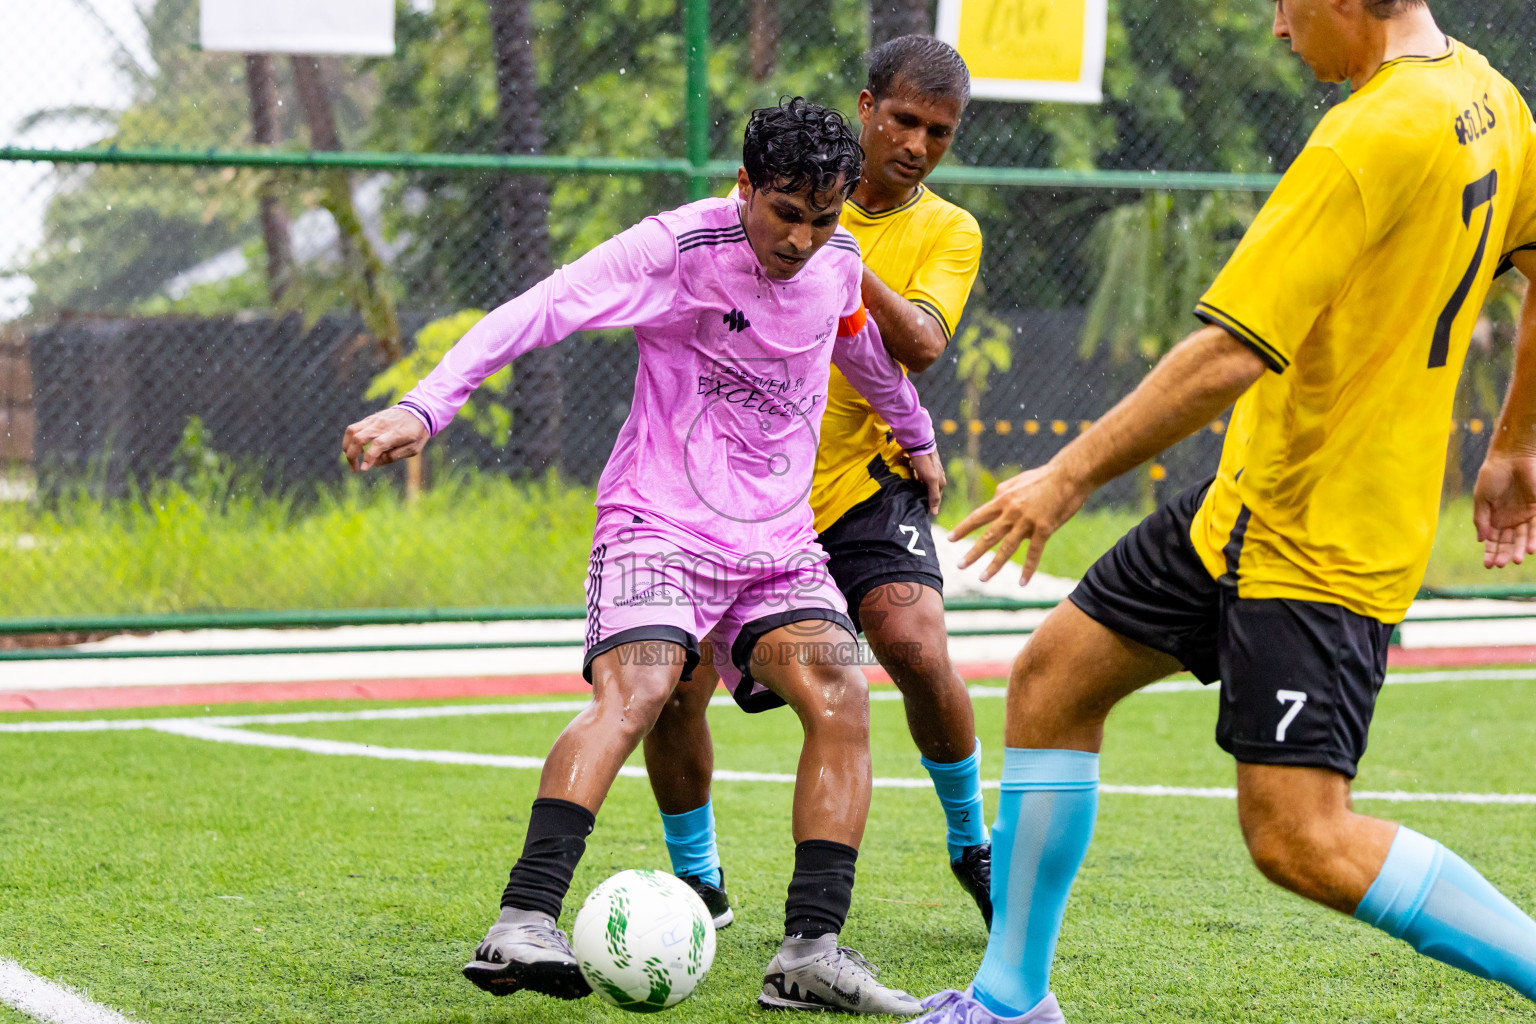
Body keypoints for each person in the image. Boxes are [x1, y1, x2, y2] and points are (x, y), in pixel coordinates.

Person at [910, 1, 1536, 1021]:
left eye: (1287, 6)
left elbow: (1230, 353)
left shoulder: (1365, 138)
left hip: (1322, 540)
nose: (1282, 33)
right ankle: (1009, 1002)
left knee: (1302, 837)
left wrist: (1064, 479)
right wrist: (1515, 441)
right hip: (1245, 507)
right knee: (1053, 682)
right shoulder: (1493, 99)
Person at [342, 97, 940, 1015]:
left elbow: (859, 350)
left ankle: (810, 952)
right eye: (785, 213)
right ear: (745, 187)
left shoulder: (840, 264)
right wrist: (426, 406)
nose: (802, 239)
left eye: (823, 219)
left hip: (775, 545)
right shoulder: (677, 248)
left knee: (841, 692)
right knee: (643, 688)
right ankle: (522, 921)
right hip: (655, 526)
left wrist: (918, 438)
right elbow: (538, 309)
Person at [642, 35, 994, 944]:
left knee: (913, 647)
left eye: (940, 133)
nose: (918, 143)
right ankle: (700, 881)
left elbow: (917, 345)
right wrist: (809, 215)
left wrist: (834, 244)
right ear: (868, 106)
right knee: (673, 682)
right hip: (739, 492)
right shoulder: (767, 201)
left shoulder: (942, 230)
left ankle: (972, 843)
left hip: (863, 484)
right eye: (906, 119)